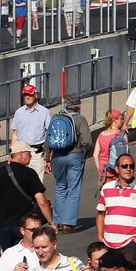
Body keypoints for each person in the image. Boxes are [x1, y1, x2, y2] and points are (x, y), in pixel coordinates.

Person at [0, 141, 53, 252]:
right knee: (28, 259)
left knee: (10, 260)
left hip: (4, 227)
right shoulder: (30, 173)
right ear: (21, 154)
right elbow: (42, 202)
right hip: (25, 226)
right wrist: (51, 222)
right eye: (29, 153)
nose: (31, 156)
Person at [49, 96, 93, 234]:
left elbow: (48, 138)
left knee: (60, 187)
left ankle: (58, 221)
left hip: (57, 157)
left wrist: (46, 157)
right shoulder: (80, 119)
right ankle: (68, 223)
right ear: (78, 105)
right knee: (73, 189)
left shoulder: (56, 117)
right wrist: (84, 154)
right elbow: (87, 141)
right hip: (74, 155)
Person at [10, 84, 52, 178]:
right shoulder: (19, 112)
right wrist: (12, 153)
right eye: (25, 95)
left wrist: (47, 158)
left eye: (30, 94)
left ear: (35, 95)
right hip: (21, 154)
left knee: (37, 185)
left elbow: (49, 134)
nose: (27, 97)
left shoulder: (44, 112)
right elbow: (15, 134)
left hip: (36, 154)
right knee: (21, 184)